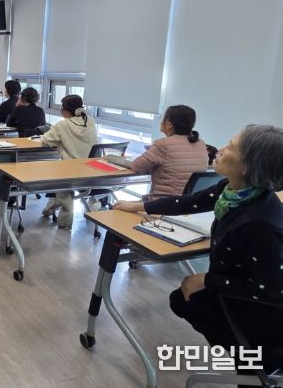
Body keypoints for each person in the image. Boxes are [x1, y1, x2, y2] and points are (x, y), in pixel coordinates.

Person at [114, 125, 283, 373]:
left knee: (184, 300)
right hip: (243, 294)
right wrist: (139, 206)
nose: (220, 149)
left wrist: (206, 280)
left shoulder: (259, 224)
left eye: (231, 147)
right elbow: (191, 202)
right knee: (182, 298)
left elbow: (270, 290)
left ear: (248, 166)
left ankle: (256, 366)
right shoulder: (234, 191)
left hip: (262, 318)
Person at [40, 95, 98, 229]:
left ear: (65, 110)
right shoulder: (90, 121)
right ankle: (51, 207)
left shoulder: (63, 125)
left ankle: (64, 222)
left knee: (57, 177)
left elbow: (45, 141)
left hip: (70, 171)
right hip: (92, 169)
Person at [128, 105, 209, 199]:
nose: (161, 121)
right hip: (189, 203)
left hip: (164, 203)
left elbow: (137, 166)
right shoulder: (201, 143)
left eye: (164, 118)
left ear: (170, 124)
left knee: (120, 204)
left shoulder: (163, 144)